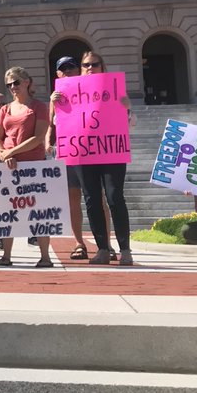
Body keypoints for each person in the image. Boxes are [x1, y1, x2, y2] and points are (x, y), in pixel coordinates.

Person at [46, 56, 112, 260]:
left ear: (78, 70)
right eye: (62, 69)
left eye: (71, 67)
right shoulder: (56, 95)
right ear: (57, 73)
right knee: (72, 198)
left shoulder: (94, 89)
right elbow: (51, 123)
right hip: (69, 150)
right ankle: (79, 243)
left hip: (94, 151)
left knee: (99, 199)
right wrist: (48, 141)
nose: (67, 71)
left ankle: (106, 244)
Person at [77, 51, 135, 266]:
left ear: (102, 66)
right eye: (86, 65)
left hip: (111, 151)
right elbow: (63, 123)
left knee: (114, 197)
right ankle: (102, 248)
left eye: (94, 64)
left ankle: (125, 250)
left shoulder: (114, 90)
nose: (90, 67)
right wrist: (59, 104)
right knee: (91, 199)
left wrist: (126, 107)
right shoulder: (72, 92)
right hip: (83, 152)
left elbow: (129, 122)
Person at [0, 66, 53, 267]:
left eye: (16, 82)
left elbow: (38, 138)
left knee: (39, 212)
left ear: (27, 82)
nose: (13, 87)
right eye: (9, 84)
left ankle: (45, 256)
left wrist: (12, 152)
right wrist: (3, 154)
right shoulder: (4, 109)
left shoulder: (38, 107)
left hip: (33, 165)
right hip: (8, 165)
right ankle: (6, 255)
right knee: (7, 211)